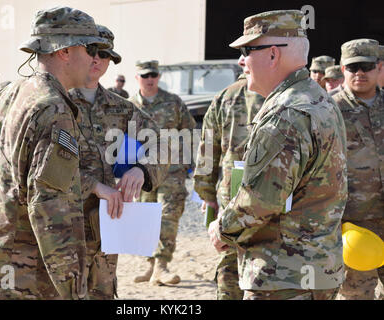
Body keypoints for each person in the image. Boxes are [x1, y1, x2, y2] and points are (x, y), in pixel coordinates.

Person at [0, 6, 111, 299]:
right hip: (27, 278)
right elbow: (52, 207)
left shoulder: (9, 93)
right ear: (63, 51)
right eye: (89, 47)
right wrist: (73, 287)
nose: (95, 58)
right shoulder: (52, 108)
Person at [208, 10, 348, 300]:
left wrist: (221, 230)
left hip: (283, 276)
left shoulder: (285, 115)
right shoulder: (319, 98)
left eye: (248, 50)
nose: (241, 61)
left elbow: (261, 201)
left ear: (273, 55)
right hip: (317, 269)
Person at [68, 25, 169, 299]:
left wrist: (141, 168)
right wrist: (94, 186)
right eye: (90, 52)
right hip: (61, 229)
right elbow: (41, 166)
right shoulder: (56, 104)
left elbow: (162, 145)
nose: (96, 60)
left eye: (103, 54)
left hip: (105, 229)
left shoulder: (121, 108)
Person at [193, 56, 264, 299]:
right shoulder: (228, 97)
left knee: (230, 269)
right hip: (258, 200)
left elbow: (206, 152)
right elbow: (208, 149)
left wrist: (208, 195)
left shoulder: (224, 96)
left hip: (231, 200)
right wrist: (207, 195)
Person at [130, 60, 196, 285]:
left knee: (168, 216)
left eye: (153, 75)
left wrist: (189, 163)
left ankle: (162, 265)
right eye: (145, 75)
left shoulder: (173, 102)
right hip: (141, 172)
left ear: (158, 77)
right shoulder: (128, 105)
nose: (150, 79)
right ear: (137, 77)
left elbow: (188, 131)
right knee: (145, 218)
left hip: (171, 170)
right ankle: (150, 265)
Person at [332, 39, 383, 300]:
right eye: (353, 68)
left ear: (379, 67)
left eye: (366, 66)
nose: (359, 73)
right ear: (343, 70)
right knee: (355, 295)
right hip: (353, 225)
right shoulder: (328, 110)